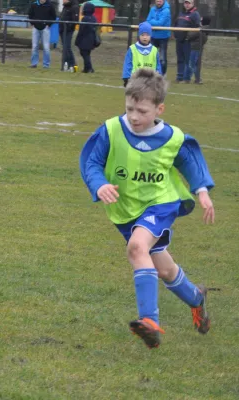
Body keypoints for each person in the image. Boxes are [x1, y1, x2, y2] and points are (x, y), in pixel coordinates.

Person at [79, 68, 215, 349]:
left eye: (141, 110)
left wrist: (202, 191)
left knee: (137, 249)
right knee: (163, 269)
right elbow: (92, 162)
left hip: (160, 203)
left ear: (159, 108)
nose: (134, 116)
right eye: (129, 108)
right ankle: (196, 298)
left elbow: (191, 162)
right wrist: (99, 184)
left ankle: (149, 321)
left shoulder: (172, 138)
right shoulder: (111, 129)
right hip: (126, 208)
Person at [122, 22, 162, 87]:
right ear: (139, 35)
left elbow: (158, 65)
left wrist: (159, 77)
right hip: (135, 81)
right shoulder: (132, 49)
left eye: (147, 35)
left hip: (150, 82)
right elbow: (127, 64)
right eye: (142, 35)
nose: (145, 37)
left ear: (150, 36)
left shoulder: (154, 50)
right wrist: (126, 78)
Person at [173, 0, 201, 83]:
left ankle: (186, 78)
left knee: (187, 60)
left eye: (189, 3)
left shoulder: (195, 14)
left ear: (192, 4)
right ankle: (179, 77)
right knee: (180, 59)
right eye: (186, 3)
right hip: (179, 40)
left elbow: (197, 28)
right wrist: (175, 34)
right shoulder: (181, 13)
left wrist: (189, 37)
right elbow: (176, 24)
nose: (187, 5)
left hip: (187, 41)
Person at [28, 0, 57, 68]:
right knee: (34, 46)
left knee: (46, 47)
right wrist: (32, 23)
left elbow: (53, 16)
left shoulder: (50, 5)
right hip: (36, 28)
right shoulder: (34, 5)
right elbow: (30, 14)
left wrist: (48, 24)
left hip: (45, 28)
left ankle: (46, 65)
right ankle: (34, 63)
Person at [146, 0, 171, 76]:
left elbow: (160, 24)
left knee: (162, 58)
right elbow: (147, 21)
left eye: (160, 0)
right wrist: (153, 22)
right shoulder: (152, 9)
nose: (158, 2)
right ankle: (152, 73)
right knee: (151, 56)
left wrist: (152, 21)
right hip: (153, 36)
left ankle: (162, 74)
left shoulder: (166, 10)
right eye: (157, 0)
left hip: (163, 37)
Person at [75, 2, 97, 73]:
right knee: (87, 54)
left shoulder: (85, 19)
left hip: (84, 39)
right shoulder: (93, 18)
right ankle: (86, 68)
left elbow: (81, 30)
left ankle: (89, 68)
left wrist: (77, 40)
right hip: (91, 39)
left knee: (84, 54)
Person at [186, 16, 210, 84]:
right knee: (196, 64)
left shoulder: (200, 30)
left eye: (201, 20)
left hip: (195, 48)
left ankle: (195, 79)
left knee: (193, 64)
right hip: (197, 48)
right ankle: (196, 79)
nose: (200, 21)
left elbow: (190, 35)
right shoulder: (205, 29)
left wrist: (190, 31)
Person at [59, 0, 79, 72]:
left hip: (68, 30)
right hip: (62, 29)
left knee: (67, 47)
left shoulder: (74, 6)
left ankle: (73, 65)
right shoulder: (65, 7)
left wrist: (68, 26)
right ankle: (66, 65)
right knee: (64, 48)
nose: (63, 1)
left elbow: (75, 20)